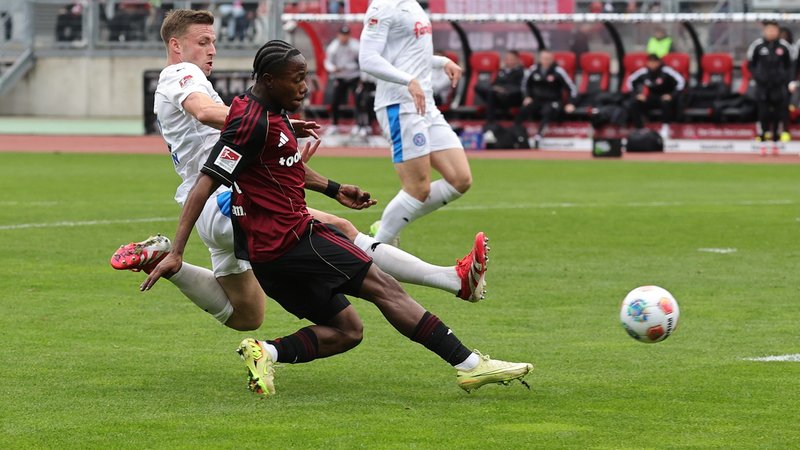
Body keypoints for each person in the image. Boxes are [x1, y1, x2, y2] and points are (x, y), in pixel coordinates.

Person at [142, 40, 533, 396]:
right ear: (268, 79)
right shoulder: (250, 123)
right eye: (297, 80)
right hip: (292, 240)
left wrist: (334, 188)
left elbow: (281, 166)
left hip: (268, 258)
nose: (305, 88)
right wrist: (177, 249)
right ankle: (470, 365)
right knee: (386, 290)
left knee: (349, 331)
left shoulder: (263, 115)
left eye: (305, 78)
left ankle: (266, 353)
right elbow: (206, 182)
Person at [111, 10, 491, 334]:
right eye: (202, 41)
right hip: (227, 200)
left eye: (213, 41)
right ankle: (452, 279)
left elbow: (253, 151)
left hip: (214, 207)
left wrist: (328, 182)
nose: (211, 49)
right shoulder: (181, 75)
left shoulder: (200, 83)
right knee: (339, 229)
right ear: (176, 46)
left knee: (247, 316)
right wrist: (275, 123)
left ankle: (164, 260)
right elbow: (205, 112)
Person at [359, 0, 469, 246]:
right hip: (400, 105)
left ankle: (387, 227)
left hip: (425, 104)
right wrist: (408, 80)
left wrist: (441, 62)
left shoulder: (413, 5)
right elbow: (367, 59)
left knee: (460, 178)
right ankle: (376, 252)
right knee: (418, 188)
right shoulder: (384, 6)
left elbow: (408, 54)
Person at [748, 21, 795, 155]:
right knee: (763, 113)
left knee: (778, 113)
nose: (771, 33)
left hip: (778, 86)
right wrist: (758, 77)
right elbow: (751, 64)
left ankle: (776, 141)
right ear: (765, 31)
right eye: (768, 30)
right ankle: (762, 140)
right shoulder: (757, 46)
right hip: (762, 86)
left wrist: (785, 80)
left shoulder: (784, 47)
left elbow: (790, 65)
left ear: (778, 31)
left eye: (774, 30)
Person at [514, 50, 577, 149]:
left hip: (553, 101)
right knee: (523, 109)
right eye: (544, 59)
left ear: (552, 60)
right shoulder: (533, 69)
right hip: (537, 100)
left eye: (548, 59)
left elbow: (572, 88)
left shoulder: (558, 71)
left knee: (548, 111)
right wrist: (526, 96)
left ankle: (538, 136)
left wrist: (571, 103)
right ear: (540, 59)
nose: (546, 61)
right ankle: (518, 135)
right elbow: (524, 85)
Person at [625, 54, 685, 138]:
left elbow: (681, 81)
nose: (652, 64)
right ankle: (639, 128)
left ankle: (665, 128)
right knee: (634, 103)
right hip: (652, 96)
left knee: (665, 102)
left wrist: (672, 95)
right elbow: (629, 81)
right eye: (650, 62)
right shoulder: (644, 72)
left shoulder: (666, 71)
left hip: (666, 95)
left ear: (659, 62)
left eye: (655, 62)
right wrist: (637, 95)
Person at [324, 25, 361, 135]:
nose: (344, 37)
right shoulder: (333, 47)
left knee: (358, 100)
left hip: (354, 76)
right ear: (338, 35)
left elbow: (361, 62)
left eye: (346, 35)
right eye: (342, 35)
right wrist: (333, 68)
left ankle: (359, 125)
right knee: (335, 101)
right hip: (340, 77)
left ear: (349, 35)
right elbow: (327, 62)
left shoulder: (356, 46)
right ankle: (334, 125)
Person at [475, 50, 525, 124]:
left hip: (511, 98)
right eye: (507, 58)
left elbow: (521, 88)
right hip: (496, 95)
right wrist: (495, 88)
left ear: (517, 60)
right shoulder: (502, 71)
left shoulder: (522, 72)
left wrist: (503, 90)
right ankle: (489, 120)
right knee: (480, 87)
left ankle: (490, 122)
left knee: (492, 93)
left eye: (511, 59)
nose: (508, 61)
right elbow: (494, 84)